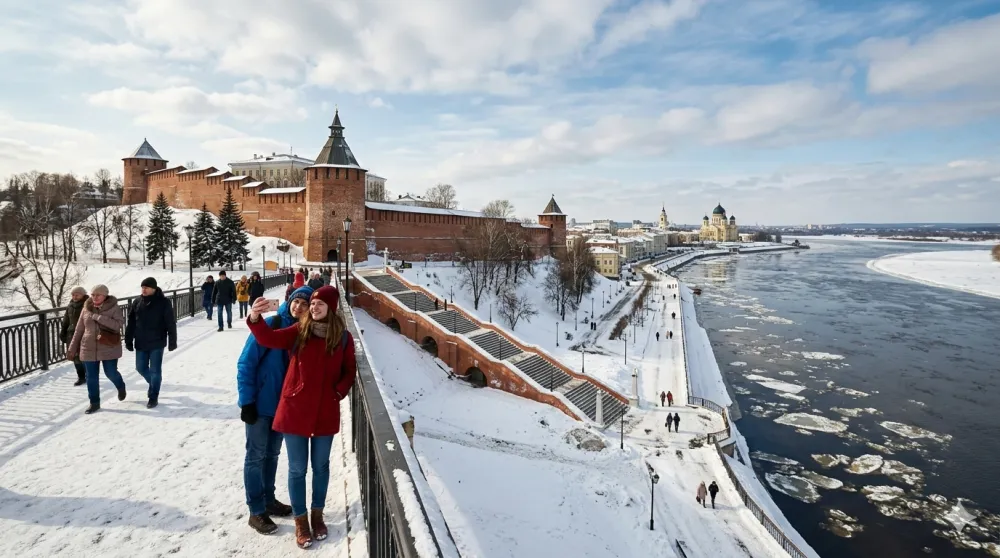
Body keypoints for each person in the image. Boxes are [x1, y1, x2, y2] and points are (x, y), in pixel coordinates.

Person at [246, 286, 357, 549]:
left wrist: (337, 393)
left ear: (331, 308)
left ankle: (317, 516)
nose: (315, 307)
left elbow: (349, 369)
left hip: (324, 412)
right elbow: (269, 339)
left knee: (320, 467)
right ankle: (301, 520)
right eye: (313, 303)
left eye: (320, 304)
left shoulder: (342, 337)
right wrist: (254, 319)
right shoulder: (300, 331)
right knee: (297, 469)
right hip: (295, 411)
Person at [238, 285, 314, 534]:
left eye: (305, 304)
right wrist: (246, 401)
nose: (299, 306)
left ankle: (268, 500)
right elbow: (246, 363)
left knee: (271, 455)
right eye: (296, 301)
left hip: (284, 408)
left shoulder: (305, 333)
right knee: (255, 456)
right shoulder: (271, 324)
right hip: (260, 406)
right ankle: (256, 510)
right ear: (289, 301)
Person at [67, 284, 127, 414]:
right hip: (88, 347)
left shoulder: (113, 307)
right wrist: (72, 348)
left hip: (108, 346)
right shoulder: (86, 308)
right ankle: (94, 403)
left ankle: (121, 386)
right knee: (91, 377)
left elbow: (118, 325)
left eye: (98, 295)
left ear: (105, 296)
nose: (94, 297)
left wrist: (98, 317)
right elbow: (79, 330)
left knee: (111, 372)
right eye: (93, 294)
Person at [124, 277, 178, 408]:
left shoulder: (164, 302)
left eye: (146, 287)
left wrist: (172, 340)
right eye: (142, 287)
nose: (144, 290)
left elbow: (170, 322)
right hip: (141, 341)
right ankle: (153, 383)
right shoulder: (137, 302)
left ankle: (153, 396)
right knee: (140, 367)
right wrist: (128, 339)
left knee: (155, 370)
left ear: (154, 288)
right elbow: (131, 322)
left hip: (157, 341)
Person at [61, 286, 89, 386]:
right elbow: (66, 320)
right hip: (71, 334)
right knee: (75, 356)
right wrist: (63, 331)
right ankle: (81, 377)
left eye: (77, 294)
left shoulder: (88, 305)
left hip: (84, 334)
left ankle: (89, 375)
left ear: (83, 295)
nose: (74, 296)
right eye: (73, 294)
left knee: (84, 356)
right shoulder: (70, 305)